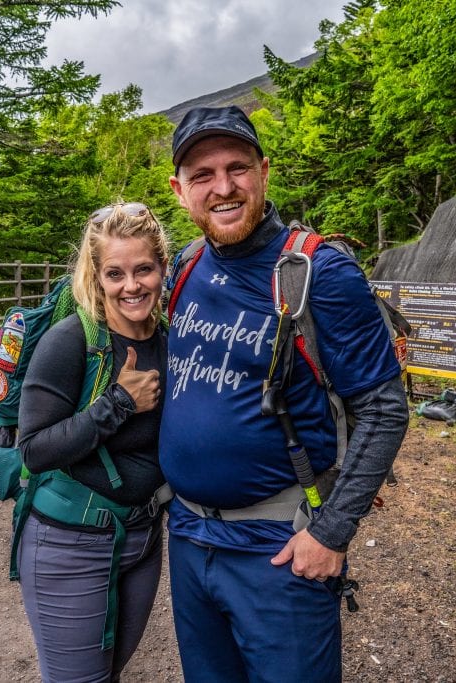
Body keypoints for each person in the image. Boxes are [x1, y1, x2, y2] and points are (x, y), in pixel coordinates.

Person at [160, 106, 410, 682]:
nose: (223, 188)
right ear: (180, 191)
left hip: (279, 547)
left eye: (237, 168)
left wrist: (331, 532)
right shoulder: (185, 266)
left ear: (264, 172)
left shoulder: (320, 271)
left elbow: (383, 408)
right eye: (202, 175)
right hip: (191, 535)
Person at [16, 202, 171, 683]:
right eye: (115, 273)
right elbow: (35, 449)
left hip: (143, 538)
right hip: (69, 543)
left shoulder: (171, 340)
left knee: (107, 673)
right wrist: (118, 403)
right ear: (96, 276)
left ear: (162, 268)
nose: (132, 286)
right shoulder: (71, 341)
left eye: (143, 269)